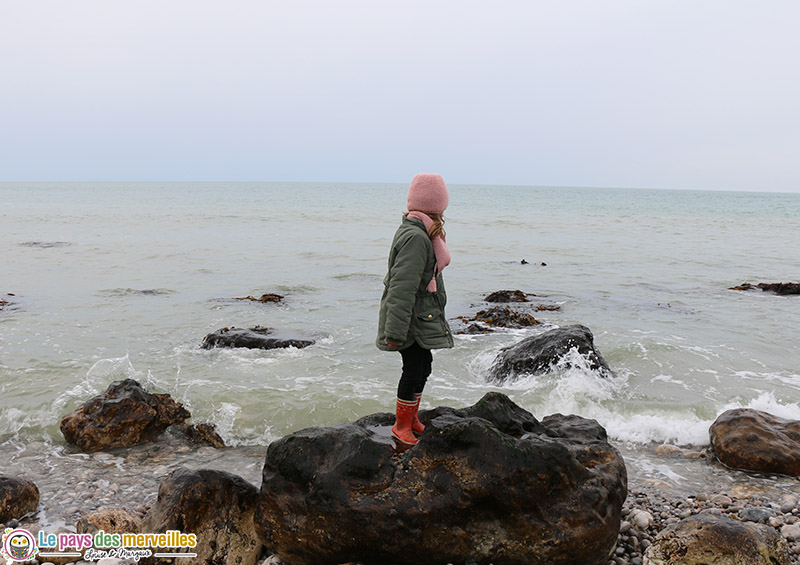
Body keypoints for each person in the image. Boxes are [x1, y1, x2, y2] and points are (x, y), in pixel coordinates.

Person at [376, 173, 454, 448]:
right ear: (436, 205)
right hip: (408, 319)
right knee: (414, 368)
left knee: (424, 365)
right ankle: (400, 427)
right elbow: (401, 287)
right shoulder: (416, 238)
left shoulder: (423, 232)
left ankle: (411, 420)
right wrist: (394, 331)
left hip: (419, 316)